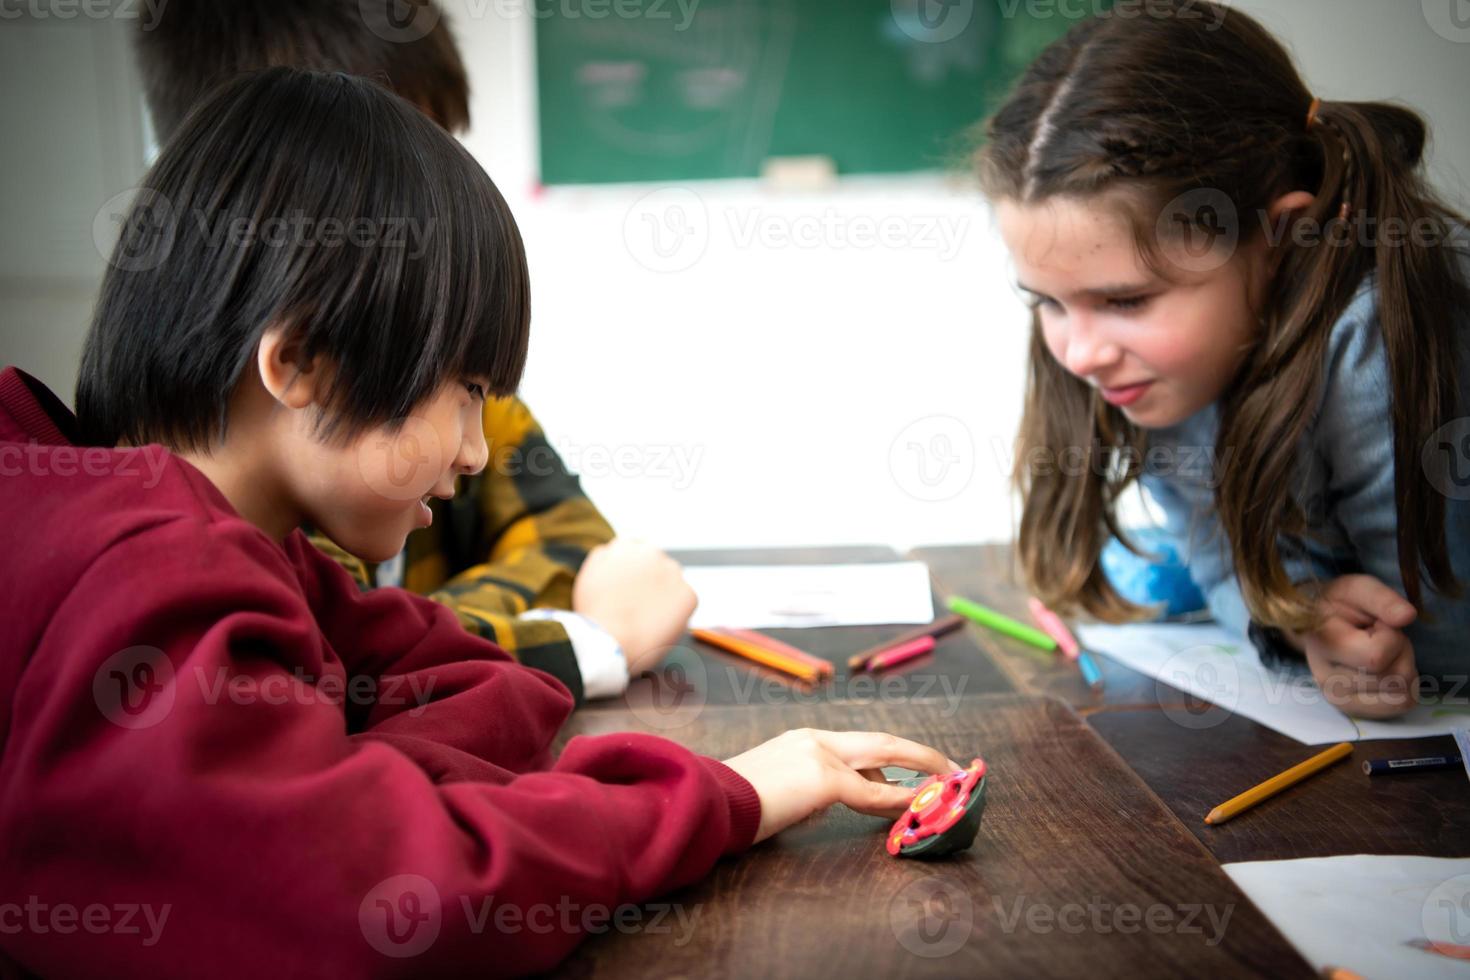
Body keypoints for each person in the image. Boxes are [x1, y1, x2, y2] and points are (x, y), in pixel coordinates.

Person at [980, 0, 1469, 718]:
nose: (1080, 354)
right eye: (1047, 302)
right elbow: (1221, 569)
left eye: (1126, 301)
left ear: (1283, 236)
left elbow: (1446, 643)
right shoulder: (1160, 367)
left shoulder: (1382, 337)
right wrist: (1299, 618)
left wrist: (1332, 631)